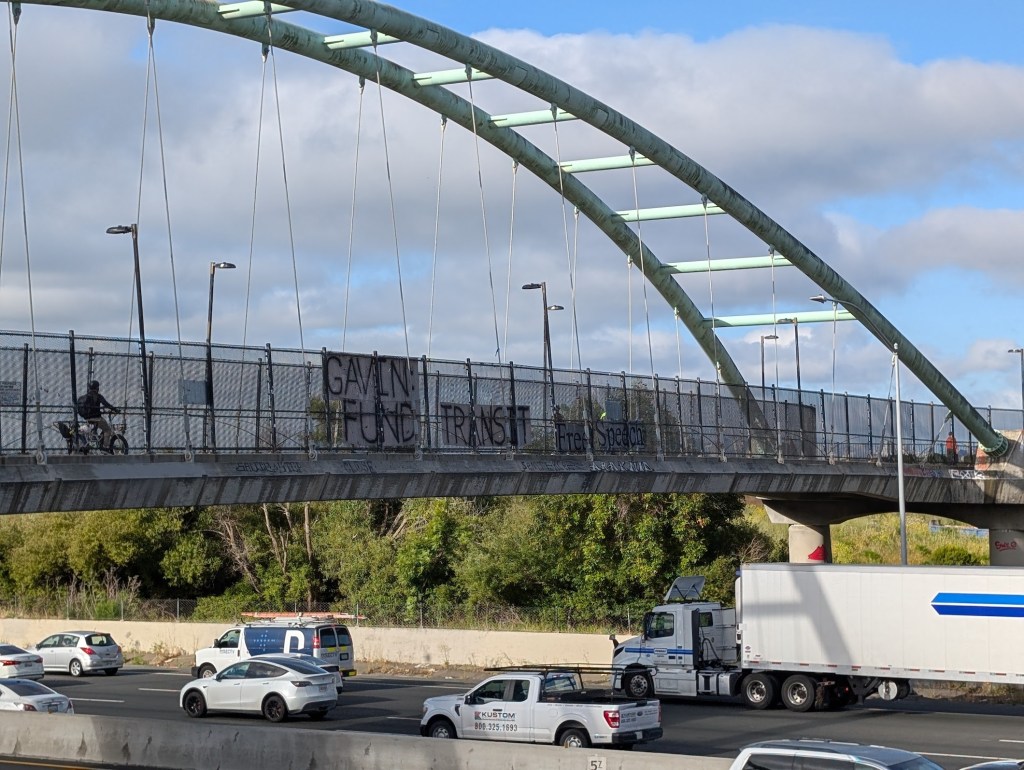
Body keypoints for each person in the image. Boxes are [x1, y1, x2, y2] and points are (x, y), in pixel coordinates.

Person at [76, 380, 119, 450]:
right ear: (97, 388)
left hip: (87, 418)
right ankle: (106, 447)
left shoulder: (84, 397)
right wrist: (115, 409)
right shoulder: (98, 396)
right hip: (97, 418)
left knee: (96, 430)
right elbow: (106, 404)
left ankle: (98, 441)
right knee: (107, 430)